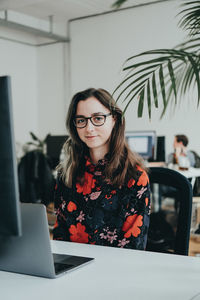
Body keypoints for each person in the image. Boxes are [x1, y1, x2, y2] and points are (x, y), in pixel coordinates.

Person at [53, 88, 150, 250]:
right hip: (72, 267)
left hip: (115, 270)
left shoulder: (135, 176)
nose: (89, 128)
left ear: (114, 120)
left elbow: (134, 246)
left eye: (98, 118)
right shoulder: (66, 173)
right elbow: (60, 234)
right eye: (81, 120)